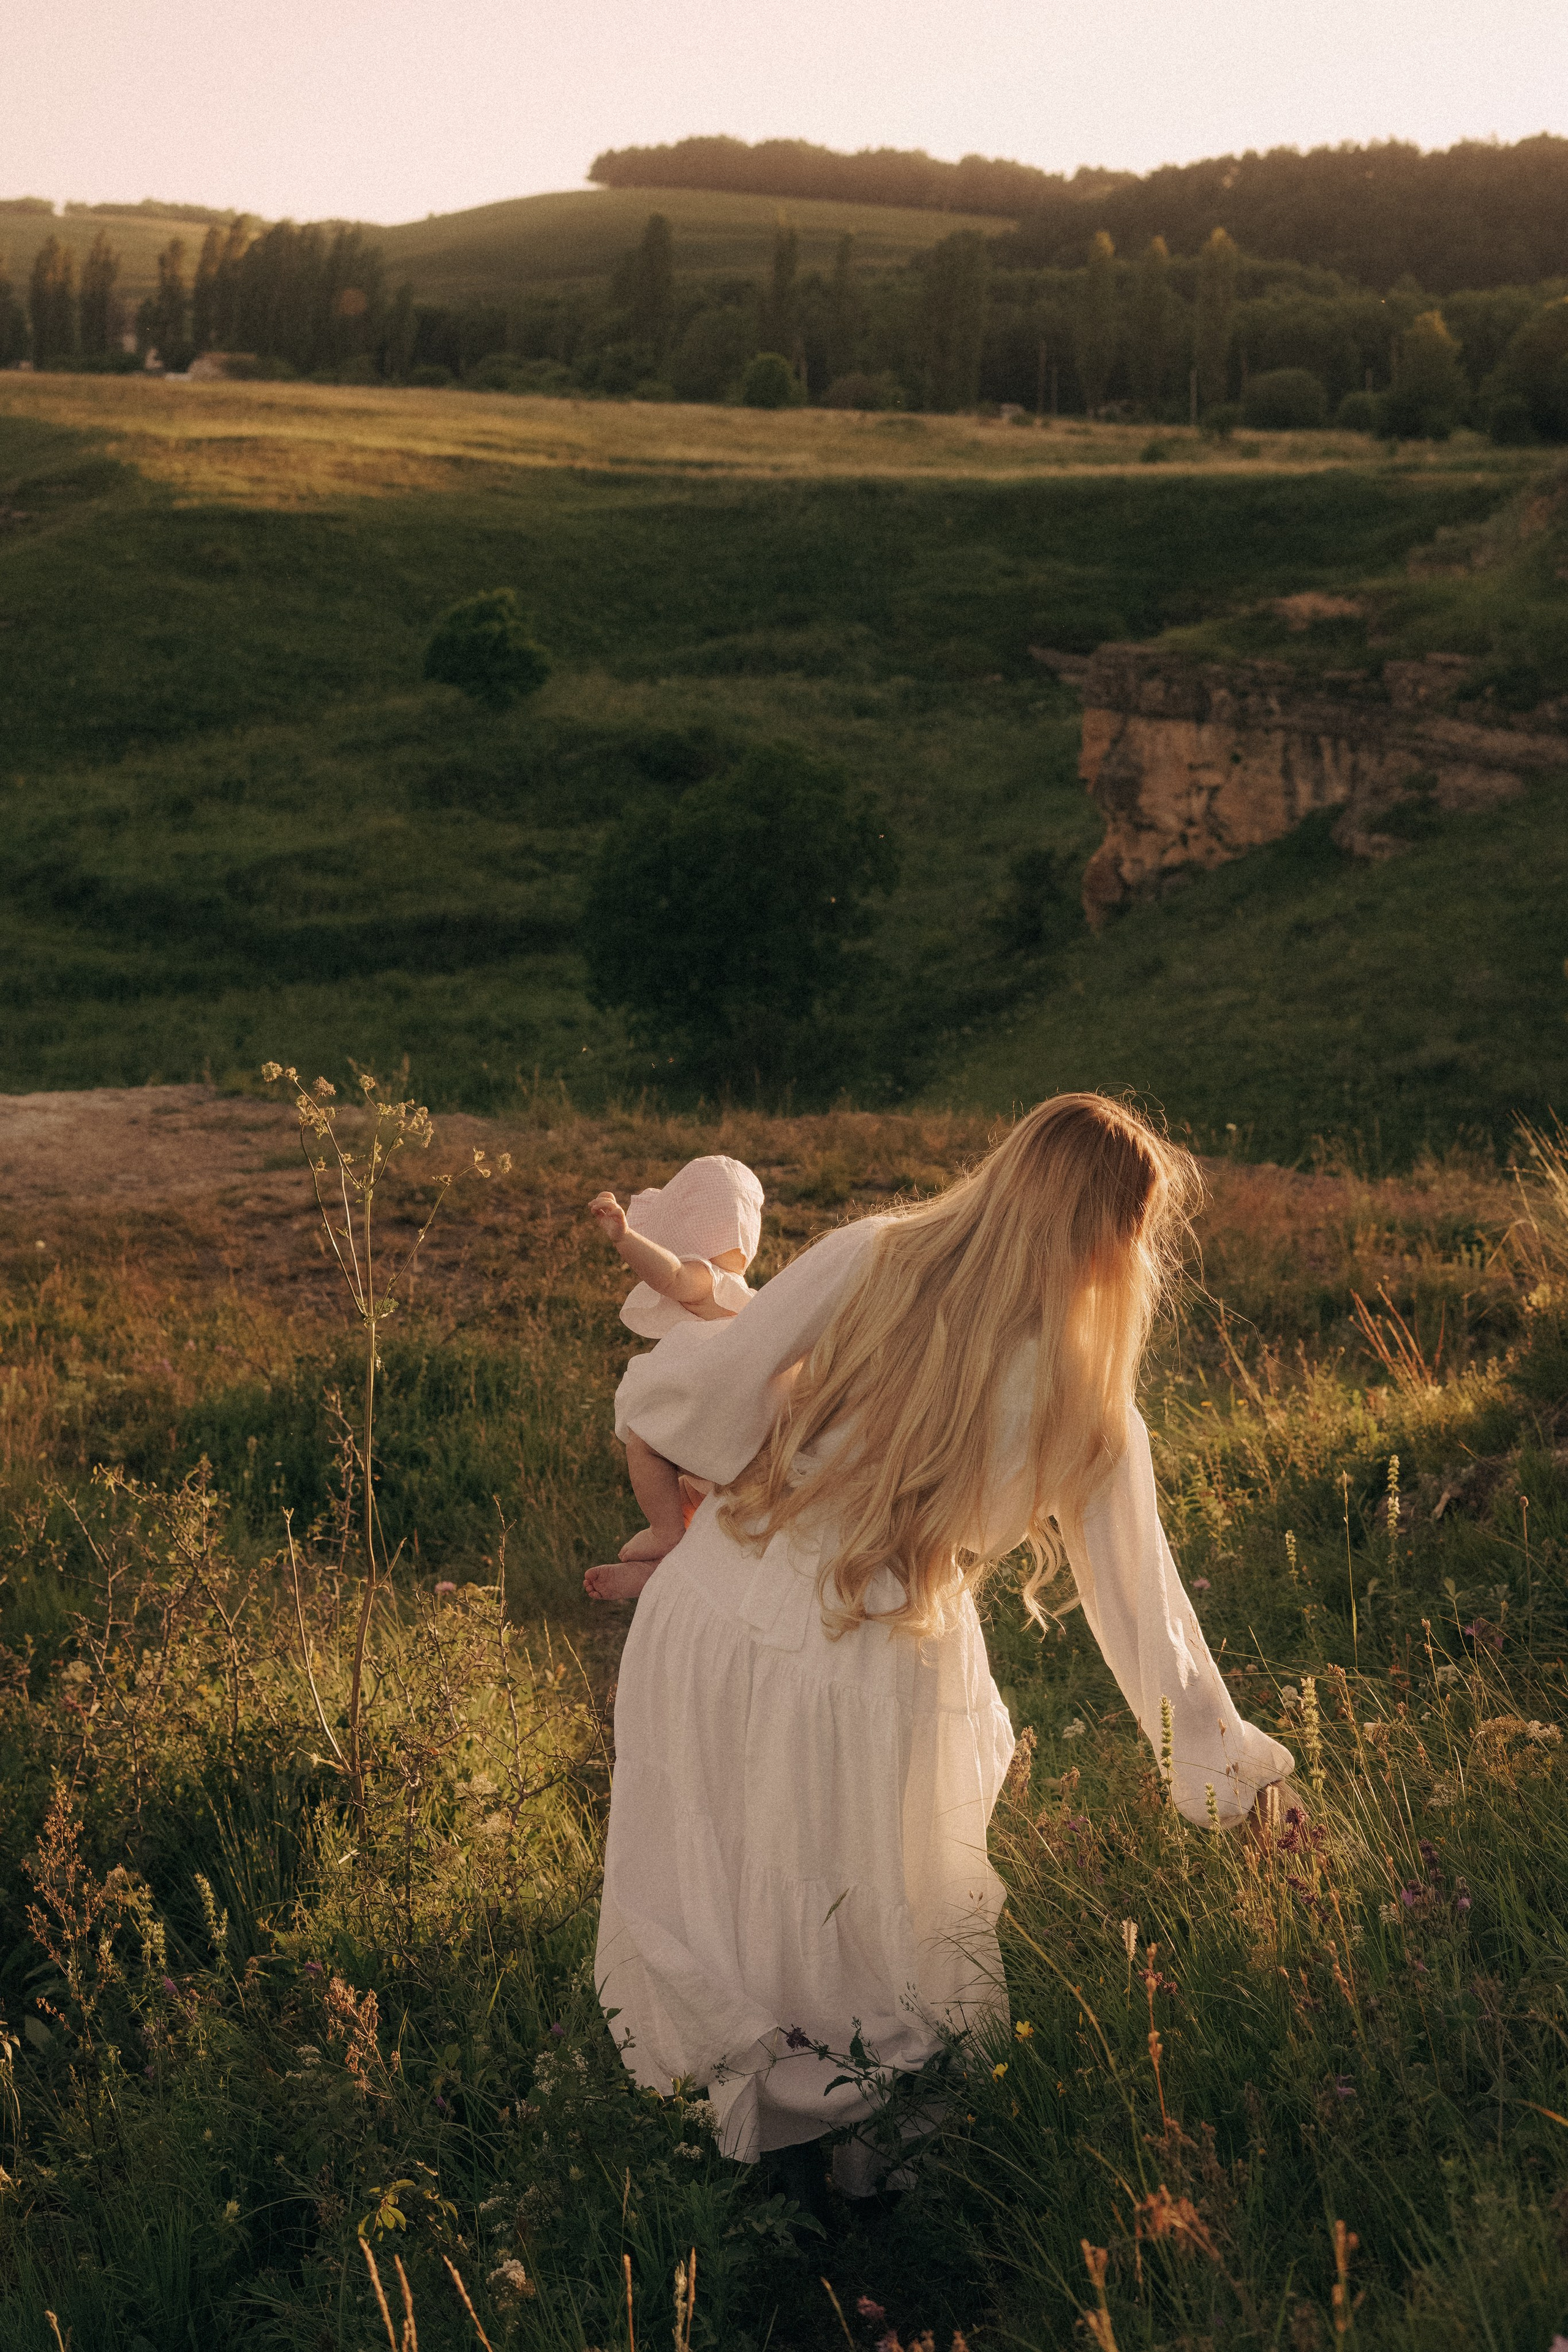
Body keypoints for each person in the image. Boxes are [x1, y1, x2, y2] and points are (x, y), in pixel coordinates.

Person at [594, 1095, 1293, 2189]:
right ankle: (847, 2173)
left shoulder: (875, 1253)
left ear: (1007, 1174)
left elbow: (715, 1389)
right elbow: (1147, 1613)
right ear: (1121, 1241)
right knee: (875, 1923)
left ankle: (716, 2152)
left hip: (718, 1608)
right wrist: (1230, 1778)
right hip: (875, 1655)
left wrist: (705, 1506)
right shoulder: (1090, 1396)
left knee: (719, 1877)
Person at [584, 1153, 765, 1604]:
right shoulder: (754, 1300)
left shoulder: (710, 1280)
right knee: (690, 1496)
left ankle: (664, 1533)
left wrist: (625, 1238)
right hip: (750, 1434)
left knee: (645, 1440)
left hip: (718, 1417)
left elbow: (672, 1275)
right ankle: (662, 1569)